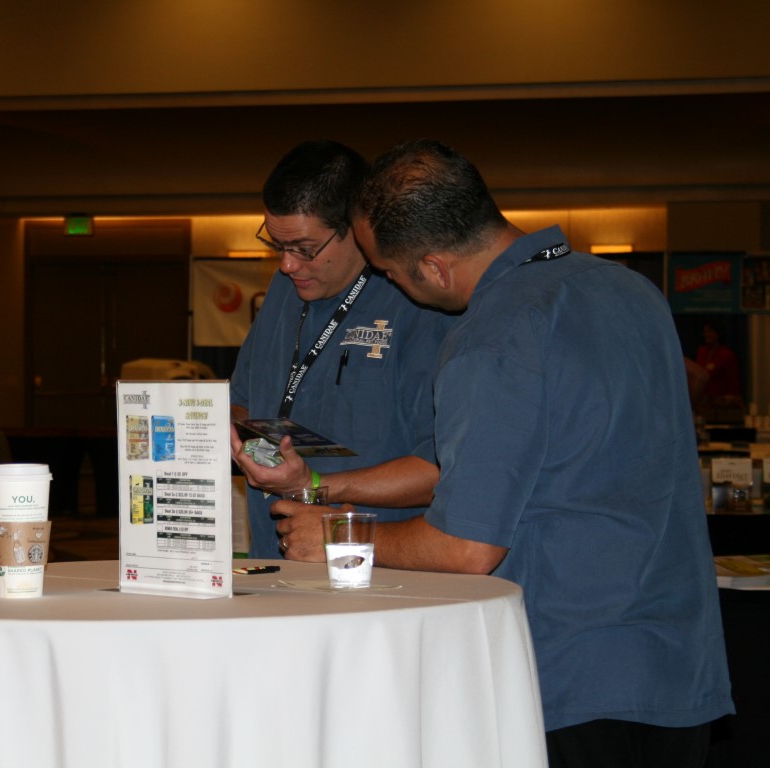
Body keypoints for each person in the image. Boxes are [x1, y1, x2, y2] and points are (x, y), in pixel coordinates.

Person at [292, 138, 730, 767]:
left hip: (569, 671)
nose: (391, 283)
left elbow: (468, 548)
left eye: (389, 272)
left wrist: (339, 538)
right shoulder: (630, 291)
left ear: (435, 267)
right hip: (677, 661)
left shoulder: (493, 335)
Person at [229, 140, 452, 558]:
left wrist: (313, 485)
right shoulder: (284, 289)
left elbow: (443, 471)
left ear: (359, 227)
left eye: (305, 249)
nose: (287, 265)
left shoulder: (416, 302)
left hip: (373, 570)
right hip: (273, 561)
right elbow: (243, 404)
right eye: (277, 245)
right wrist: (230, 436)